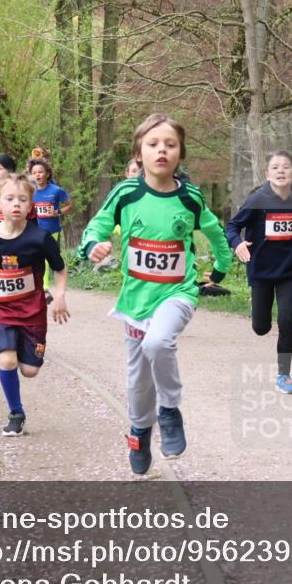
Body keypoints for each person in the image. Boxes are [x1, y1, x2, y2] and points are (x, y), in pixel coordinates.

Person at [79, 113, 234, 475]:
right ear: (138, 153)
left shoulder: (191, 198)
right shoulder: (125, 193)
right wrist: (92, 245)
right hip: (136, 300)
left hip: (178, 292)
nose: (161, 150)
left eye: (170, 145)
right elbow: (98, 224)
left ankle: (170, 412)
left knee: (158, 343)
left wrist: (220, 270)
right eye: (152, 144)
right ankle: (139, 431)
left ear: (181, 154)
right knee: (138, 382)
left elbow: (215, 234)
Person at [0, 173, 69, 436]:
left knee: (30, 370)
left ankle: (25, 353)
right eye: (9, 199)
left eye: (23, 199)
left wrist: (59, 296)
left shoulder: (39, 238)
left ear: (30, 205)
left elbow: (60, 268)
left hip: (33, 312)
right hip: (1, 310)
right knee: (8, 361)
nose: (16, 204)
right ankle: (16, 412)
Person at [226, 150, 292, 393]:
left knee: (286, 320)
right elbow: (232, 226)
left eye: (286, 167)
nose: (280, 171)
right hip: (260, 271)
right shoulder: (257, 200)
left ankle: (284, 375)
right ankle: (257, 310)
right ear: (267, 174)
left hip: (288, 270)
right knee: (261, 328)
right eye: (275, 167)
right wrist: (237, 244)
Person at [30, 158, 72, 297]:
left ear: (47, 174)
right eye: (34, 172)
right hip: (36, 231)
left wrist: (57, 212)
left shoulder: (56, 190)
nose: (37, 175)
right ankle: (45, 288)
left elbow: (69, 205)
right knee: (39, 259)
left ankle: (59, 285)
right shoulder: (30, 191)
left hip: (52, 230)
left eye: (40, 172)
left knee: (53, 258)